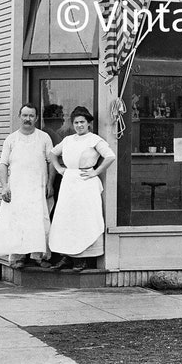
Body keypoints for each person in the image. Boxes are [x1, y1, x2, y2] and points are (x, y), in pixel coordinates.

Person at [46, 105, 115, 272]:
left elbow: (110, 156)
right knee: (67, 219)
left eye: (82, 122)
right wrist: (60, 168)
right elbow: (52, 154)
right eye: (76, 122)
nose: (79, 125)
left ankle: (82, 259)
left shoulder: (94, 140)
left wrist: (96, 172)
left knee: (84, 219)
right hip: (69, 182)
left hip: (86, 183)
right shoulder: (68, 140)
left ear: (89, 123)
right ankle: (67, 257)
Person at [0, 103, 55, 268]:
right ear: (19, 117)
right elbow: (2, 164)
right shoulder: (11, 139)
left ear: (36, 118)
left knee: (38, 221)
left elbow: (52, 162)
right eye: (25, 115)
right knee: (17, 222)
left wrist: (50, 184)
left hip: (37, 188)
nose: (28, 119)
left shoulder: (44, 137)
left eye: (31, 116)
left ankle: (38, 256)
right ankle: (18, 257)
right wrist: (4, 187)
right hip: (17, 189)